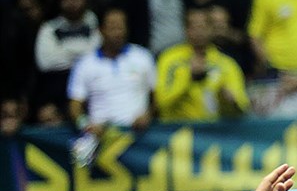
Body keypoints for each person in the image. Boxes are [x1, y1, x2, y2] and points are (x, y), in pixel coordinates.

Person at [67, 8, 156, 136]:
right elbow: (75, 105)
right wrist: (85, 125)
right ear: (101, 30)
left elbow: (155, 96)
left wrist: (148, 115)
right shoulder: (85, 64)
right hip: (101, 136)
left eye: (121, 27)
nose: (117, 33)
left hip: (138, 136)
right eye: (112, 28)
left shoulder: (143, 57)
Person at [155, 8, 250, 122]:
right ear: (185, 29)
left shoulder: (226, 64)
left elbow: (242, 107)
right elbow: (161, 102)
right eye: (193, 27)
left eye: (203, 27)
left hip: (211, 130)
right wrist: (188, 78)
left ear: (212, 29)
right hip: (176, 128)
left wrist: (229, 102)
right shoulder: (169, 59)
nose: (198, 32)